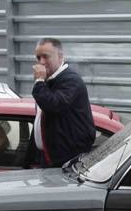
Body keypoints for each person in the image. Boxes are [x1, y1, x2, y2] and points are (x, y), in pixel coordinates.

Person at [30, 37, 94, 168]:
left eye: (46, 57)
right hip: (49, 158)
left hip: (67, 161)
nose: (41, 62)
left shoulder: (70, 80)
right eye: (38, 57)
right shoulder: (49, 81)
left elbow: (53, 105)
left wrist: (39, 82)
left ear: (60, 56)